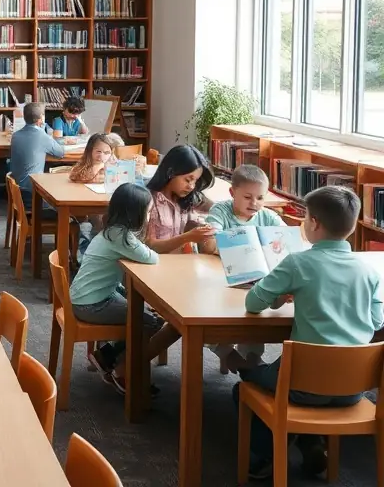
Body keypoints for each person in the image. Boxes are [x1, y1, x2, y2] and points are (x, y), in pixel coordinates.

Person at [237, 185, 383, 481]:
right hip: (352, 390)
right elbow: (376, 321)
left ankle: (266, 456)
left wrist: (282, 293)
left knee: (246, 378)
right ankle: (309, 442)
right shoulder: (369, 271)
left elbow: (253, 302)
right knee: (295, 384)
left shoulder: (298, 263)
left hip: (302, 385)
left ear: (313, 223)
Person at [68, 183, 180, 395]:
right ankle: (121, 371)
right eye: (148, 211)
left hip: (89, 296)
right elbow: (151, 257)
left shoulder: (111, 231)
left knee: (146, 314)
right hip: (93, 304)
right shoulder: (123, 238)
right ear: (136, 213)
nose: (150, 215)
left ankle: (106, 356)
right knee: (151, 322)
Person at [206, 164, 287, 373]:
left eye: (260, 198)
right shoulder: (220, 210)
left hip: (258, 281)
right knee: (207, 317)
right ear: (233, 193)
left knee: (256, 315)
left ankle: (251, 359)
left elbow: (285, 243)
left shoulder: (268, 216)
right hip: (222, 279)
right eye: (248, 197)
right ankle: (227, 353)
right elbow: (211, 242)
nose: (254, 203)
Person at [145, 144, 216, 254]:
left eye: (195, 181)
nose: (191, 186)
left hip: (179, 263)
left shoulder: (186, 199)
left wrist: (202, 228)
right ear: (171, 172)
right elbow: (150, 245)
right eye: (188, 180)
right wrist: (187, 237)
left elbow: (213, 208)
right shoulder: (149, 201)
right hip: (153, 266)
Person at [9, 102, 64, 216]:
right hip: (32, 195)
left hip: (18, 192)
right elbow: (60, 153)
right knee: (66, 211)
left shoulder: (15, 135)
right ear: (41, 119)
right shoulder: (42, 136)